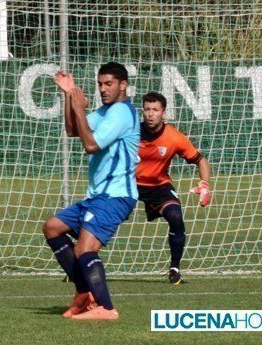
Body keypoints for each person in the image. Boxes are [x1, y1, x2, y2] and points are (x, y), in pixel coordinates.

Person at [43, 62, 140, 320]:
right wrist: (68, 95)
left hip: (116, 196)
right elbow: (73, 129)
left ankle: (106, 308)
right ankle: (85, 294)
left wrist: (78, 107)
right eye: (99, 84)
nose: (103, 89)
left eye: (108, 84)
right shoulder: (107, 111)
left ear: (123, 84)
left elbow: (91, 144)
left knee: (84, 250)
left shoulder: (121, 112)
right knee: (53, 227)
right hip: (98, 196)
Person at [137, 91, 211, 285]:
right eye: (147, 109)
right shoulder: (131, 132)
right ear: (142, 112)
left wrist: (204, 185)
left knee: (176, 216)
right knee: (106, 218)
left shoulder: (174, 137)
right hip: (129, 184)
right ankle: (82, 261)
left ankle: (175, 269)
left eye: (155, 110)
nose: (150, 114)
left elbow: (201, 160)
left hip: (158, 186)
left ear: (164, 113)